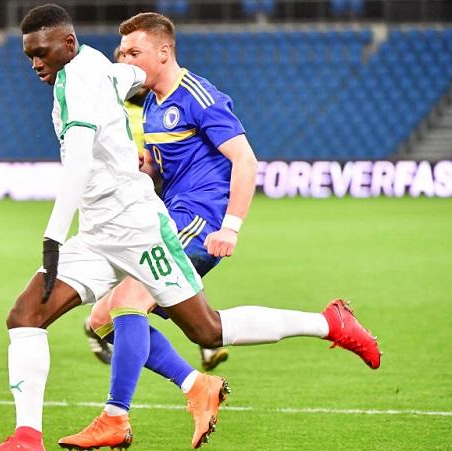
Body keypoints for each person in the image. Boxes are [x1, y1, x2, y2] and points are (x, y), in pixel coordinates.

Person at [58, 12, 382, 450]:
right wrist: (143, 169)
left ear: (164, 52)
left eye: (134, 53)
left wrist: (231, 226)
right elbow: (167, 171)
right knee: (131, 323)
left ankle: (116, 417)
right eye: (121, 54)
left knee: (129, 302)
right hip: (166, 217)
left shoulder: (198, 95)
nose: (125, 62)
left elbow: (245, 159)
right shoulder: (150, 104)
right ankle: (324, 326)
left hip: (198, 221)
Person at [0, 4, 228, 451]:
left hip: (138, 227)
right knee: (29, 316)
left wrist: (52, 237)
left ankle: (326, 325)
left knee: (206, 330)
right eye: (29, 56)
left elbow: (79, 165)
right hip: (99, 233)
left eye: (41, 52)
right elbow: (128, 77)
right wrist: (142, 74)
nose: (35, 63)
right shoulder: (97, 64)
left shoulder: (78, 82)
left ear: (67, 43)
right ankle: (28, 437)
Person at [82, 45, 230, 373]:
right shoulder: (113, 107)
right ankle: (101, 321)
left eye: (133, 58)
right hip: (130, 203)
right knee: (152, 278)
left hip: (163, 198)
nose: (129, 68)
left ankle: (201, 351)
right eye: (123, 61)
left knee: (165, 276)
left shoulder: (158, 103)